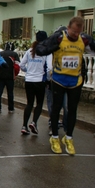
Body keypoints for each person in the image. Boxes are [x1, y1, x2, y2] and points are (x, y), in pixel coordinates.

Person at [36, 16, 95, 155]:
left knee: (72, 109)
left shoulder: (84, 39)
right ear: (68, 28)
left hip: (75, 80)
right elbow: (40, 49)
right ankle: (55, 137)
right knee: (56, 108)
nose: (75, 35)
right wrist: (51, 46)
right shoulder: (59, 37)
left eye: (78, 32)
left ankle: (69, 137)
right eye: (73, 32)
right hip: (58, 79)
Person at [19, 31, 52, 134]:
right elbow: (49, 68)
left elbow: (21, 65)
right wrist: (46, 79)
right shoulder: (47, 52)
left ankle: (24, 126)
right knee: (39, 103)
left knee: (29, 103)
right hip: (39, 81)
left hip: (29, 80)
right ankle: (34, 123)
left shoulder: (30, 51)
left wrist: (28, 71)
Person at [0, 42, 20, 114]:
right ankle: (11, 108)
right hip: (10, 76)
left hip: (1, 76)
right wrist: (15, 74)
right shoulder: (15, 54)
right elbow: (17, 67)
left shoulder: (1, 54)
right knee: (10, 93)